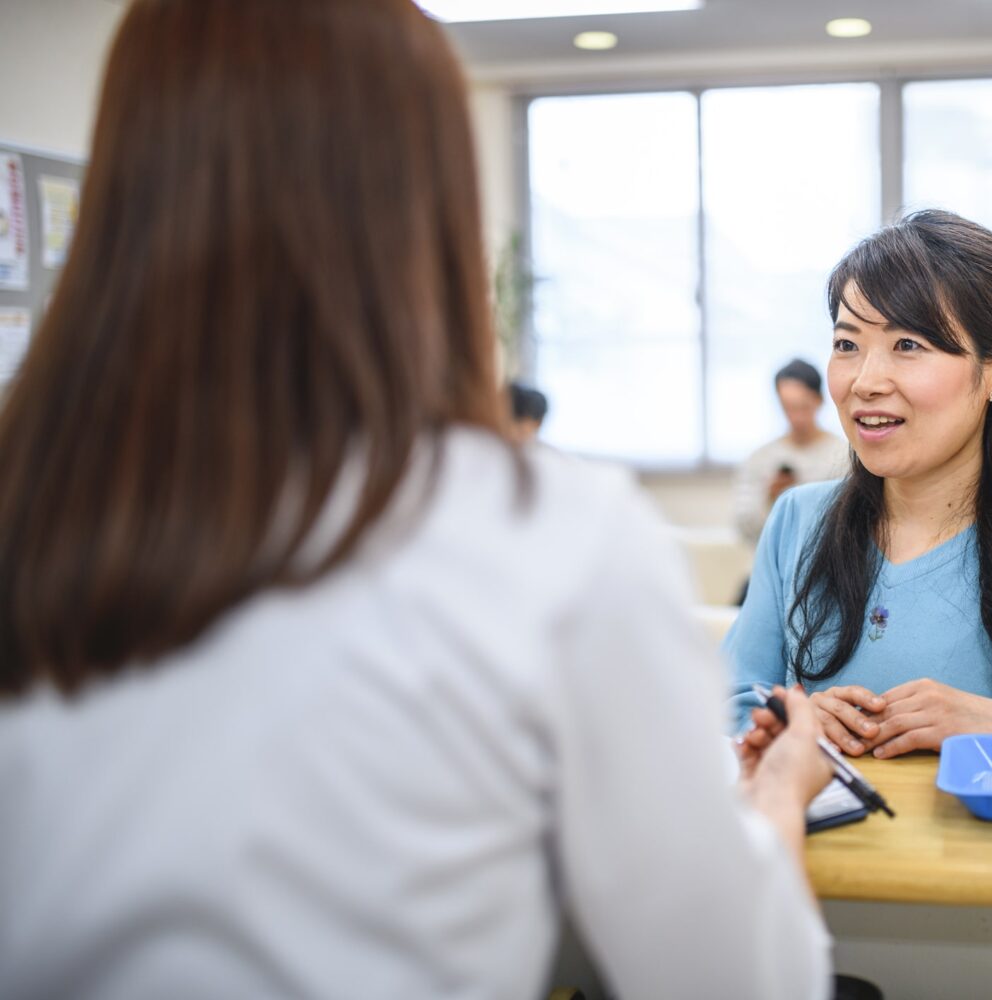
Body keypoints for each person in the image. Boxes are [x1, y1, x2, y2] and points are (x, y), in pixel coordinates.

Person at [0, 3, 833, 998]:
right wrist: (778, 796)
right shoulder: (550, 537)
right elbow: (734, 980)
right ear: (424, 209)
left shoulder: (31, 502)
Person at [725, 210, 992, 755]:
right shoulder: (795, 522)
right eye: (847, 344)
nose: (865, 381)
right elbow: (729, 712)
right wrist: (791, 722)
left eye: (908, 345)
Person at [732, 359, 850, 547]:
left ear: (819, 400)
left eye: (803, 406)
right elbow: (745, 528)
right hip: (773, 558)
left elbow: (851, 523)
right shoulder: (760, 459)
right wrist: (770, 499)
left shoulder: (845, 456)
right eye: (788, 407)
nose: (796, 417)